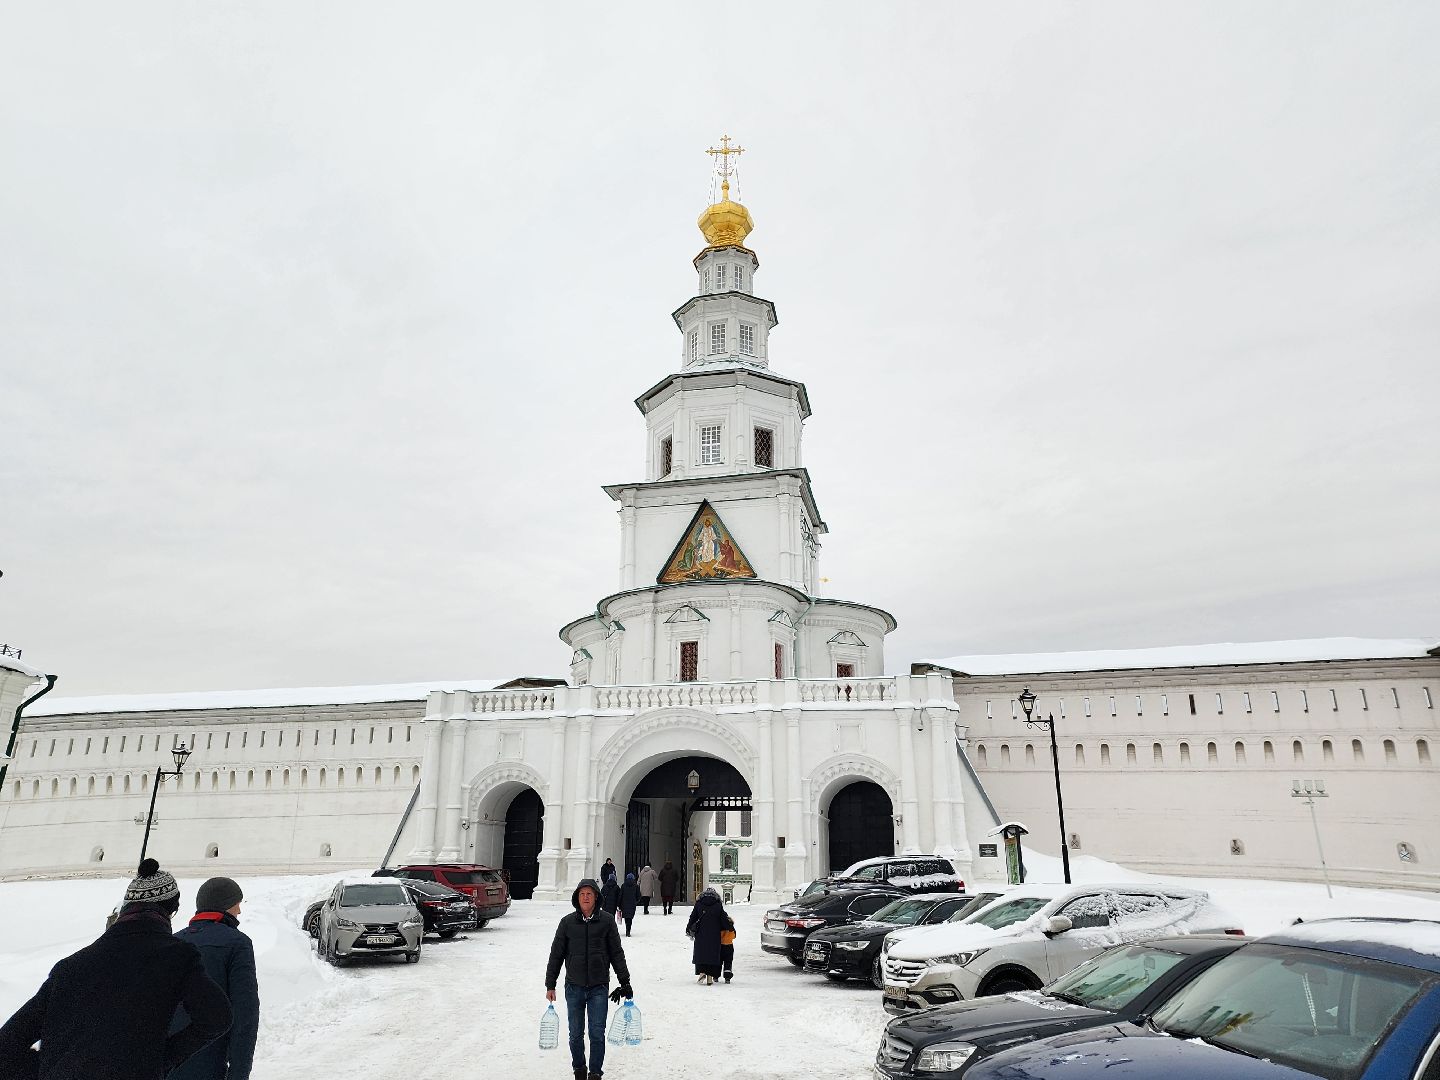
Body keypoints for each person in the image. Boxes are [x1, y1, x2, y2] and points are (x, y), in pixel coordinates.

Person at [0, 859, 232, 1080]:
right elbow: (217, 1018)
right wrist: (162, 1060)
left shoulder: (71, 967)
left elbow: (8, 1043)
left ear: (127, 908)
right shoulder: (176, 957)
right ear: (171, 909)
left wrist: (52, 1069)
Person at [169, 877, 259, 1080]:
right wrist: (239, 1073)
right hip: (211, 1063)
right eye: (237, 904)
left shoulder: (172, 941)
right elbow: (245, 1014)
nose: (239, 911)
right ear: (225, 905)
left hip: (168, 1064)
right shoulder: (238, 944)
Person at [545, 879, 633, 1080]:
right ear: (577, 897)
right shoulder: (567, 923)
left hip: (598, 987)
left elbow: (616, 953)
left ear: (596, 897)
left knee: (596, 1033)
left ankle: (595, 1073)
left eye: (589, 894)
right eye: (582, 894)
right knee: (575, 1034)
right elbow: (556, 955)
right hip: (574, 986)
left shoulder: (607, 921)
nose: (585, 897)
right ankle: (579, 1069)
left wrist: (624, 981)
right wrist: (551, 984)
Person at [685, 886, 729, 985]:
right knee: (712, 954)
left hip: (701, 933)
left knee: (702, 953)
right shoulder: (718, 905)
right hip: (714, 934)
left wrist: (688, 928)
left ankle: (702, 973)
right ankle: (710, 977)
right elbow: (723, 919)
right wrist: (729, 927)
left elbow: (693, 917)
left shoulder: (699, 904)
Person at [719, 912, 737, 983]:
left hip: (720, 946)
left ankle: (716, 976)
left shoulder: (720, 928)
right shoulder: (732, 929)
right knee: (728, 962)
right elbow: (734, 936)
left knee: (719, 962)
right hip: (729, 946)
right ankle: (727, 977)